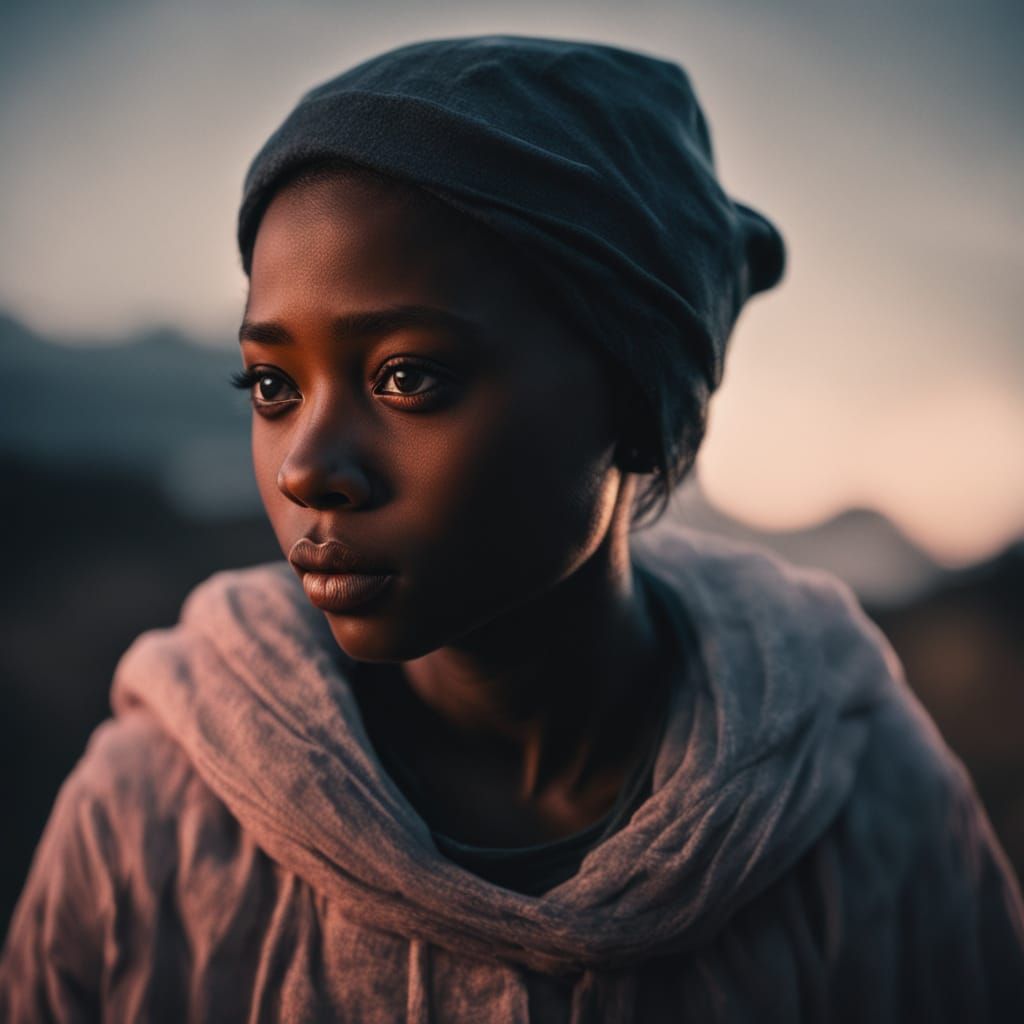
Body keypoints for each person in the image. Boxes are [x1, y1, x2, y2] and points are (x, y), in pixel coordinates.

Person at [2, 33, 1022, 1023]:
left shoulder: (870, 815)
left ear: (636, 404)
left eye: (408, 377)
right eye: (272, 385)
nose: (306, 467)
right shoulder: (153, 818)